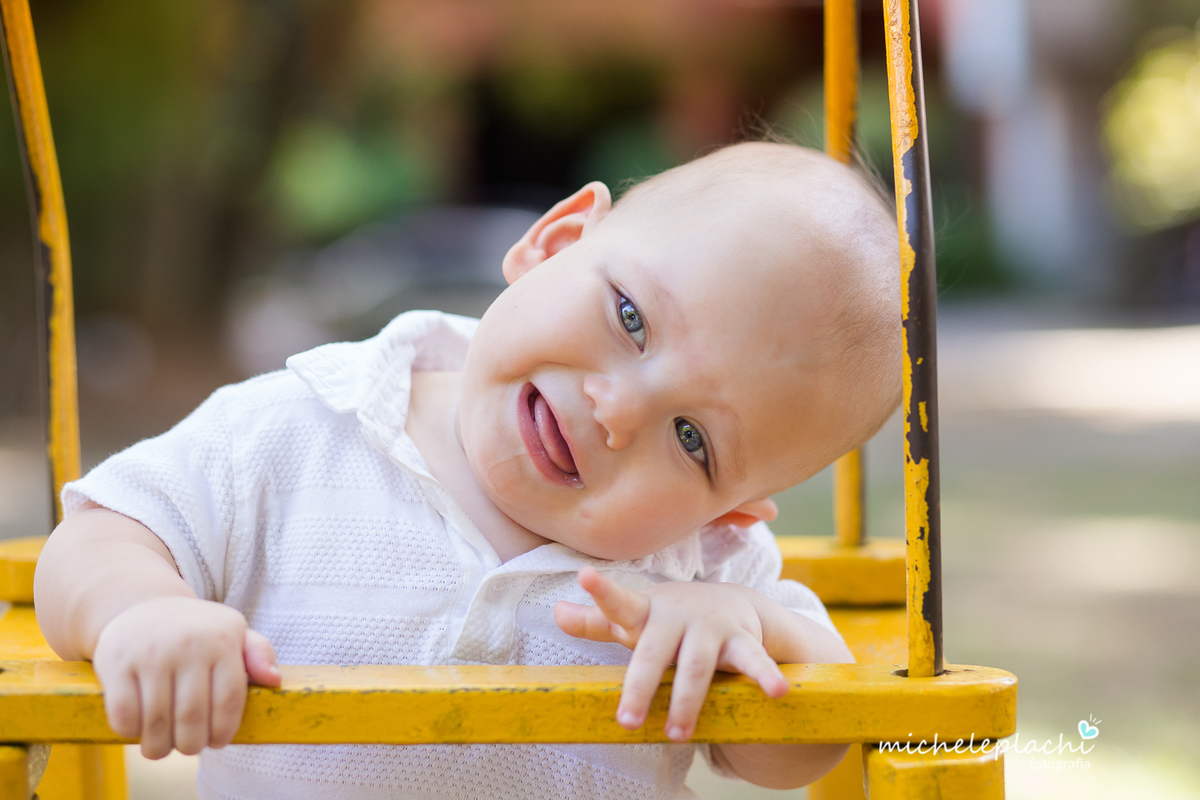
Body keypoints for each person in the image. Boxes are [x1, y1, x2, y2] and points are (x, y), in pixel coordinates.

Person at [34, 141, 900, 799]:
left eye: (692, 439)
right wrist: (142, 611)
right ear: (555, 241)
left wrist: (754, 634)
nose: (618, 410)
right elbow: (101, 535)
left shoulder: (695, 574)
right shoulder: (299, 425)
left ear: (731, 514)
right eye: (632, 319)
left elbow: (804, 746)